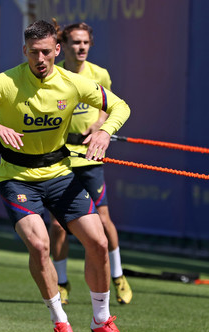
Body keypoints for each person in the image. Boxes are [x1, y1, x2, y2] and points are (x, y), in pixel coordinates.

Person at [0, 20, 132, 332]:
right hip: (17, 179)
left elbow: (120, 106)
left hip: (61, 175)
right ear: (24, 52)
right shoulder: (5, 82)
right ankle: (61, 323)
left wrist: (105, 132)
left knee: (99, 243)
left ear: (57, 50)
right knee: (40, 244)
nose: (41, 58)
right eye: (34, 53)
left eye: (47, 51)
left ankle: (101, 320)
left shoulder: (74, 82)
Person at [48, 19, 132, 305]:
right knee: (58, 226)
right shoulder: (56, 75)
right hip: (61, 157)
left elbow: (107, 109)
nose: (81, 47)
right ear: (64, 46)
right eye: (75, 42)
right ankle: (61, 282)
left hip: (91, 157)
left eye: (85, 42)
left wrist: (98, 126)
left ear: (90, 45)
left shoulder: (100, 75)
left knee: (104, 220)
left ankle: (118, 276)